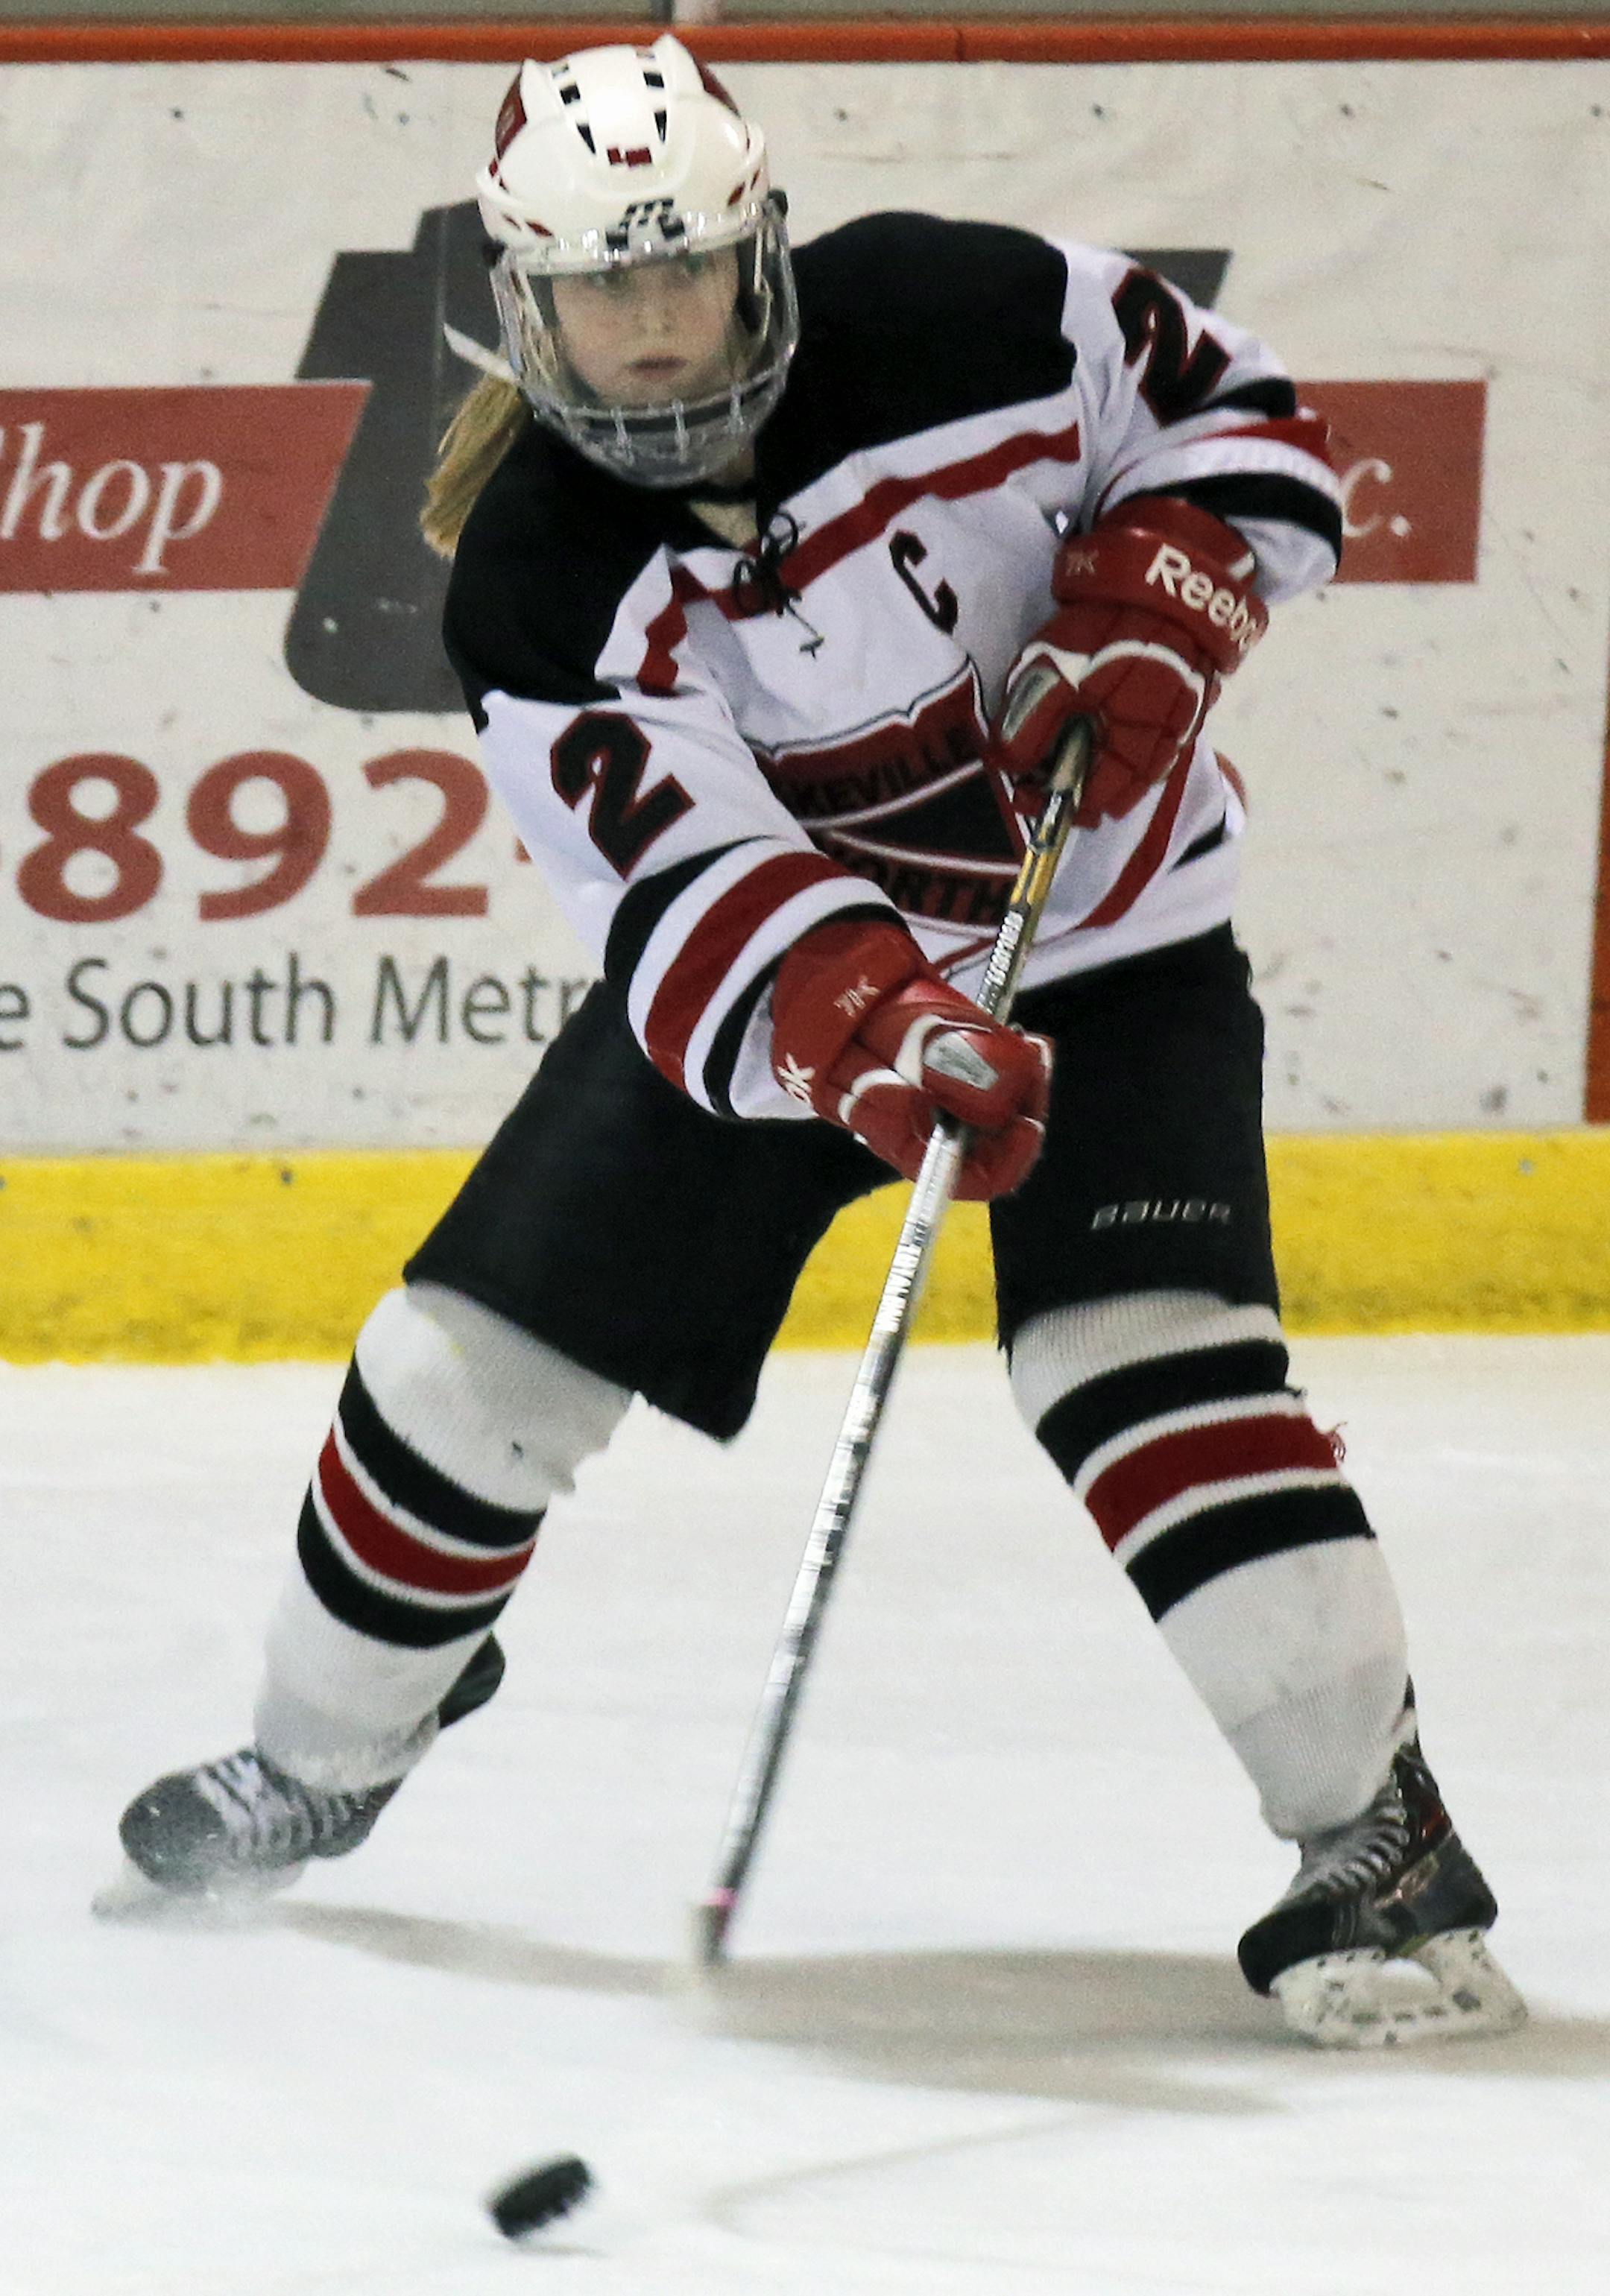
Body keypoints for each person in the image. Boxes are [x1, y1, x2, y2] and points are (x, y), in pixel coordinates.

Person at [112, 37, 1523, 2046]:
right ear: (531, 303)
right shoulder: (538, 572)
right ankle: (324, 1749)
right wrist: (864, 1025)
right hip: (800, 998)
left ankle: (1376, 1837)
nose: (658, 324)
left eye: (688, 267)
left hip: (1110, 946)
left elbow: (1242, 422)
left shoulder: (967, 304)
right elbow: (681, 905)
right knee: (456, 1373)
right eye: (608, 288)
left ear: (763, 242)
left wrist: (1165, 592)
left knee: (1143, 1366)